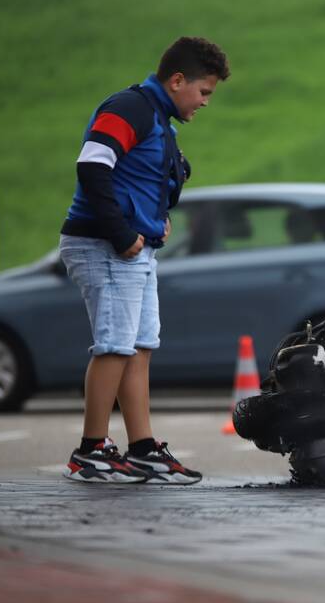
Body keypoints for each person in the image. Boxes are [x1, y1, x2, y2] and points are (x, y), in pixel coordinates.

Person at [58, 37, 230, 483]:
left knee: (138, 347)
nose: (205, 102)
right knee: (115, 346)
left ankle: (142, 449)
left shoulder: (158, 118)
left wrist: (153, 222)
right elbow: (93, 165)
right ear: (177, 81)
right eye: (204, 91)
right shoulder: (129, 107)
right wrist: (121, 232)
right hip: (104, 245)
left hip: (133, 248)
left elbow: (138, 179)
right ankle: (91, 450)